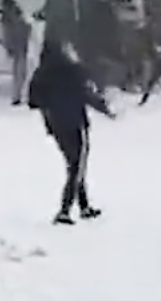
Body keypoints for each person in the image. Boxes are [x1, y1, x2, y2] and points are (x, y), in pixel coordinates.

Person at [25, 37, 110, 223]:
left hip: (55, 125)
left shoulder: (41, 73)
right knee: (76, 165)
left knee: (73, 163)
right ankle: (65, 210)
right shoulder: (73, 70)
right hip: (75, 122)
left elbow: (32, 100)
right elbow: (86, 93)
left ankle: (84, 206)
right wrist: (105, 109)